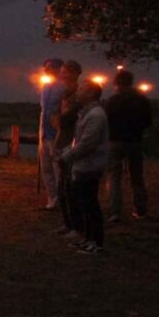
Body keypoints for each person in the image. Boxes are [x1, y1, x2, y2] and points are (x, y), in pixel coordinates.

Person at [60, 80, 110, 254]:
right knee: (83, 204)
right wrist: (69, 151)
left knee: (90, 205)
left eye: (81, 89)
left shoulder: (95, 115)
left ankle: (95, 242)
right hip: (82, 165)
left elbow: (88, 144)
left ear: (90, 94)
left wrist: (68, 155)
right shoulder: (87, 114)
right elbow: (80, 141)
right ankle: (87, 238)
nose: (77, 92)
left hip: (90, 166)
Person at [104, 69, 152, 222]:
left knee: (114, 177)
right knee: (136, 177)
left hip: (115, 141)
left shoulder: (112, 101)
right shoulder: (142, 100)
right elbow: (147, 121)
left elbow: (106, 121)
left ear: (117, 83)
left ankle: (115, 211)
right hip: (134, 142)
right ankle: (141, 209)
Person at [51, 60, 82, 235]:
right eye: (61, 71)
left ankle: (76, 226)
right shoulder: (64, 95)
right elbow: (54, 117)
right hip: (61, 141)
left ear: (75, 73)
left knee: (70, 188)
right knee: (62, 187)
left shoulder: (78, 95)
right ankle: (67, 223)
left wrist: (58, 120)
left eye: (65, 72)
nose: (62, 75)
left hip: (71, 144)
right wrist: (57, 120)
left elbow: (63, 120)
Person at [38, 59, 66, 210]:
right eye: (45, 68)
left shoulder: (64, 88)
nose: (46, 71)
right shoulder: (45, 87)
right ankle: (52, 198)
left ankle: (62, 198)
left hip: (56, 135)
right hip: (44, 134)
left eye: (49, 68)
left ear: (58, 69)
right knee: (46, 169)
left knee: (58, 169)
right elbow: (43, 111)